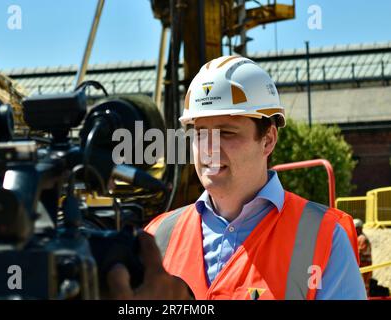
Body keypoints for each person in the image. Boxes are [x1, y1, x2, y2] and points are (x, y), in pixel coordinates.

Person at [109, 55, 366, 300]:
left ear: (268, 140)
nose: (209, 147)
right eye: (199, 132)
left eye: (226, 133)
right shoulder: (158, 236)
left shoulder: (324, 237)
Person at [354, 218, 372, 296]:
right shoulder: (359, 238)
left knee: (363, 286)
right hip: (362, 266)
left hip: (364, 267)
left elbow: (359, 252)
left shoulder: (362, 238)